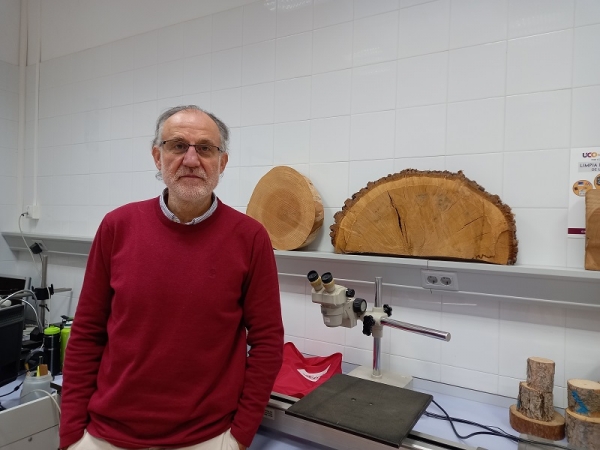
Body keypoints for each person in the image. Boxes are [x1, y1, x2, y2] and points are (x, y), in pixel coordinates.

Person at [59, 106, 284, 450]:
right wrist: (72, 435)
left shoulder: (250, 237)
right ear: (157, 156)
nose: (191, 159)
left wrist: (239, 436)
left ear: (222, 163)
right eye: (178, 146)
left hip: (208, 438)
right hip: (107, 435)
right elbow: (87, 333)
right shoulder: (117, 227)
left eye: (206, 148)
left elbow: (267, 342)